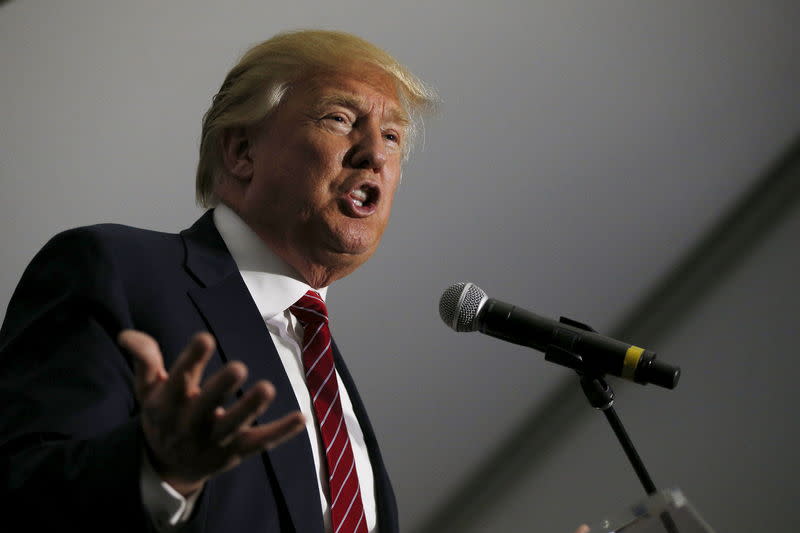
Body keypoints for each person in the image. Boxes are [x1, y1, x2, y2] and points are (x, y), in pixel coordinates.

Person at [0, 30, 436, 532]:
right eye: (339, 119)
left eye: (392, 136)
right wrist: (157, 470)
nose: (375, 155)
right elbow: (22, 494)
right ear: (241, 151)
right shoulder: (114, 270)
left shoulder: (324, 365)